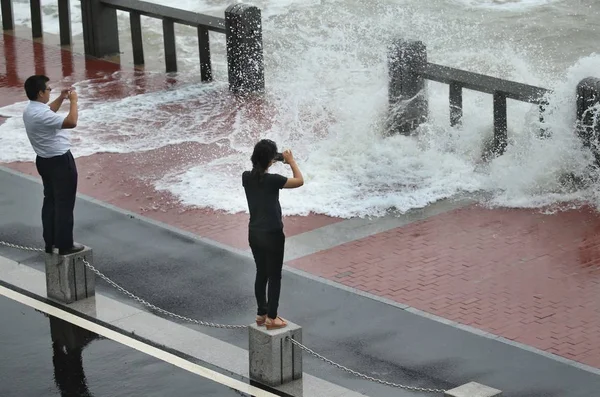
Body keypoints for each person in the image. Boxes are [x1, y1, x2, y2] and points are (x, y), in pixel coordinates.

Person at [242, 139, 304, 330]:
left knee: (261, 273)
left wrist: (272, 159)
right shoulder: (274, 180)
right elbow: (299, 181)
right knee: (275, 276)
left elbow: (260, 169)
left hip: (254, 233)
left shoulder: (246, 177)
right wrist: (290, 160)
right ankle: (273, 317)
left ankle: (261, 313)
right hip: (273, 234)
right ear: (270, 160)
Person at [23, 75, 84, 256]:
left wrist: (61, 98)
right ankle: (65, 244)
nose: (50, 91)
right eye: (49, 89)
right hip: (60, 162)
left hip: (44, 161)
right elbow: (71, 122)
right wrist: (74, 101)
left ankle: (50, 242)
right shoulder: (40, 113)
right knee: (64, 203)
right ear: (41, 92)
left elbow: (48, 111)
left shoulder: (30, 110)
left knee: (50, 201)